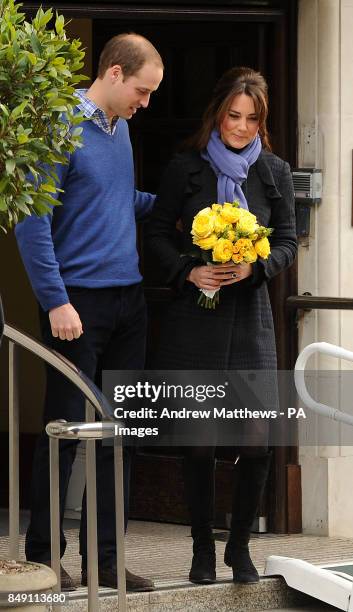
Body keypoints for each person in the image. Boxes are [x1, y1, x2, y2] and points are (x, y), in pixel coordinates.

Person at [15, 33, 164, 592]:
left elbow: (113, 200)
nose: (145, 104)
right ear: (116, 73)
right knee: (63, 435)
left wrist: (174, 206)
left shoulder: (120, 129)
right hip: (76, 304)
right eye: (143, 91)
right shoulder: (58, 125)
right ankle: (45, 562)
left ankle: (106, 562)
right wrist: (55, 300)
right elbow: (32, 222)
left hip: (129, 300)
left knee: (120, 435)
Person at [147, 67, 297, 585]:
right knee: (200, 439)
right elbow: (157, 235)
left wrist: (257, 265)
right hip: (196, 319)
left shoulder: (274, 172)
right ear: (217, 113)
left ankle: (239, 547)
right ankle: (201, 552)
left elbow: (288, 243)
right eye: (234, 116)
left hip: (250, 319)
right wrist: (190, 269)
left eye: (252, 119)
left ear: (262, 121)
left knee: (256, 439)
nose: (241, 127)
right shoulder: (184, 169)